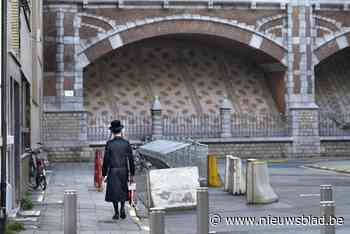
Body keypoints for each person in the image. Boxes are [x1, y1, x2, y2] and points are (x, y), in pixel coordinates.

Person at [102, 120, 135, 220]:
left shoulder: (109, 144)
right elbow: (131, 159)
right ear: (121, 130)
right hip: (124, 170)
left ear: (112, 131)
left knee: (114, 191)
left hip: (113, 170)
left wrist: (104, 173)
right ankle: (122, 208)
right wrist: (132, 173)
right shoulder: (126, 143)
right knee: (123, 190)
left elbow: (106, 160)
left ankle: (116, 212)